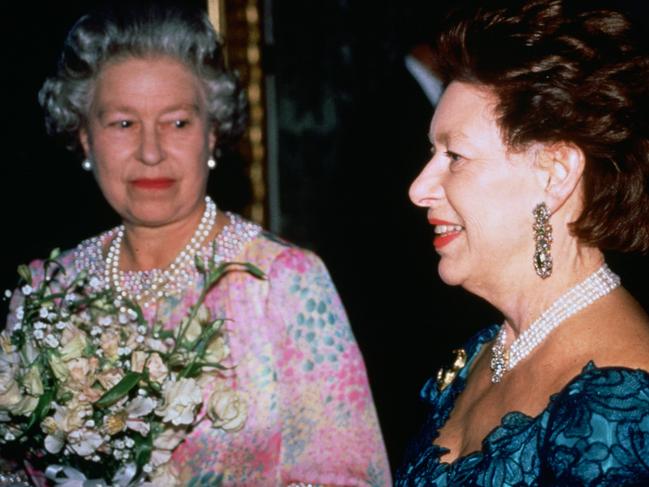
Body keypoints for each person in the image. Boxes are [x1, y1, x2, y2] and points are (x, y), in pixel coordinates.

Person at [2, 3, 390, 486]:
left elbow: (352, 477)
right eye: (123, 123)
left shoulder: (282, 281)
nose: (151, 151)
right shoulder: (45, 293)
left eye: (178, 123)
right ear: (84, 137)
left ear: (213, 134)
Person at [395, 0, 649, 485]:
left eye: (456, 155)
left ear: (554, 174)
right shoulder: (482, 353)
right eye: (433, 152)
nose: (418, 188)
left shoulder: (621, 410)